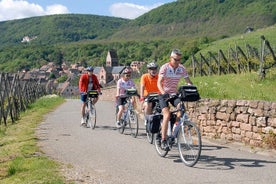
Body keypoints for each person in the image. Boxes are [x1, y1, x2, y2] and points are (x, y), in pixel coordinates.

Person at [157, 49, 193, 150]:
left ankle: (173, 134)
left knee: (180, 110)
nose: (177, 62)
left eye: (179, 60)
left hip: (174, 94)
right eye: (175, 59)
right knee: (167, 115)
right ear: (170, 58)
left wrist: (192, 90)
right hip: (163, 94)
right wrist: (164, 93)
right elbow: (159, 83)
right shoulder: (164, 67)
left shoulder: (182, 68)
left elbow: (188, 81)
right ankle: (163, 139)